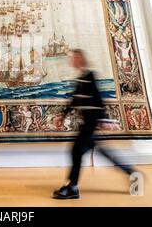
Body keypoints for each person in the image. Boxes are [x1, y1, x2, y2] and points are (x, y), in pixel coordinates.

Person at [53, 49, 135, 200]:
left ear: (80, 59)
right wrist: (63, 116)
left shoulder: (90, 76)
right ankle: (132, 174)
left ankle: (73, 187)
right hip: (87, 123)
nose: (71, 60)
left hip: (91, 123)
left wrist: (103, 120)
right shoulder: (81, 78)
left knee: (76, 151)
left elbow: (98, 99)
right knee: (100, 153)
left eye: (74, 58)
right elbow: (74, 100)